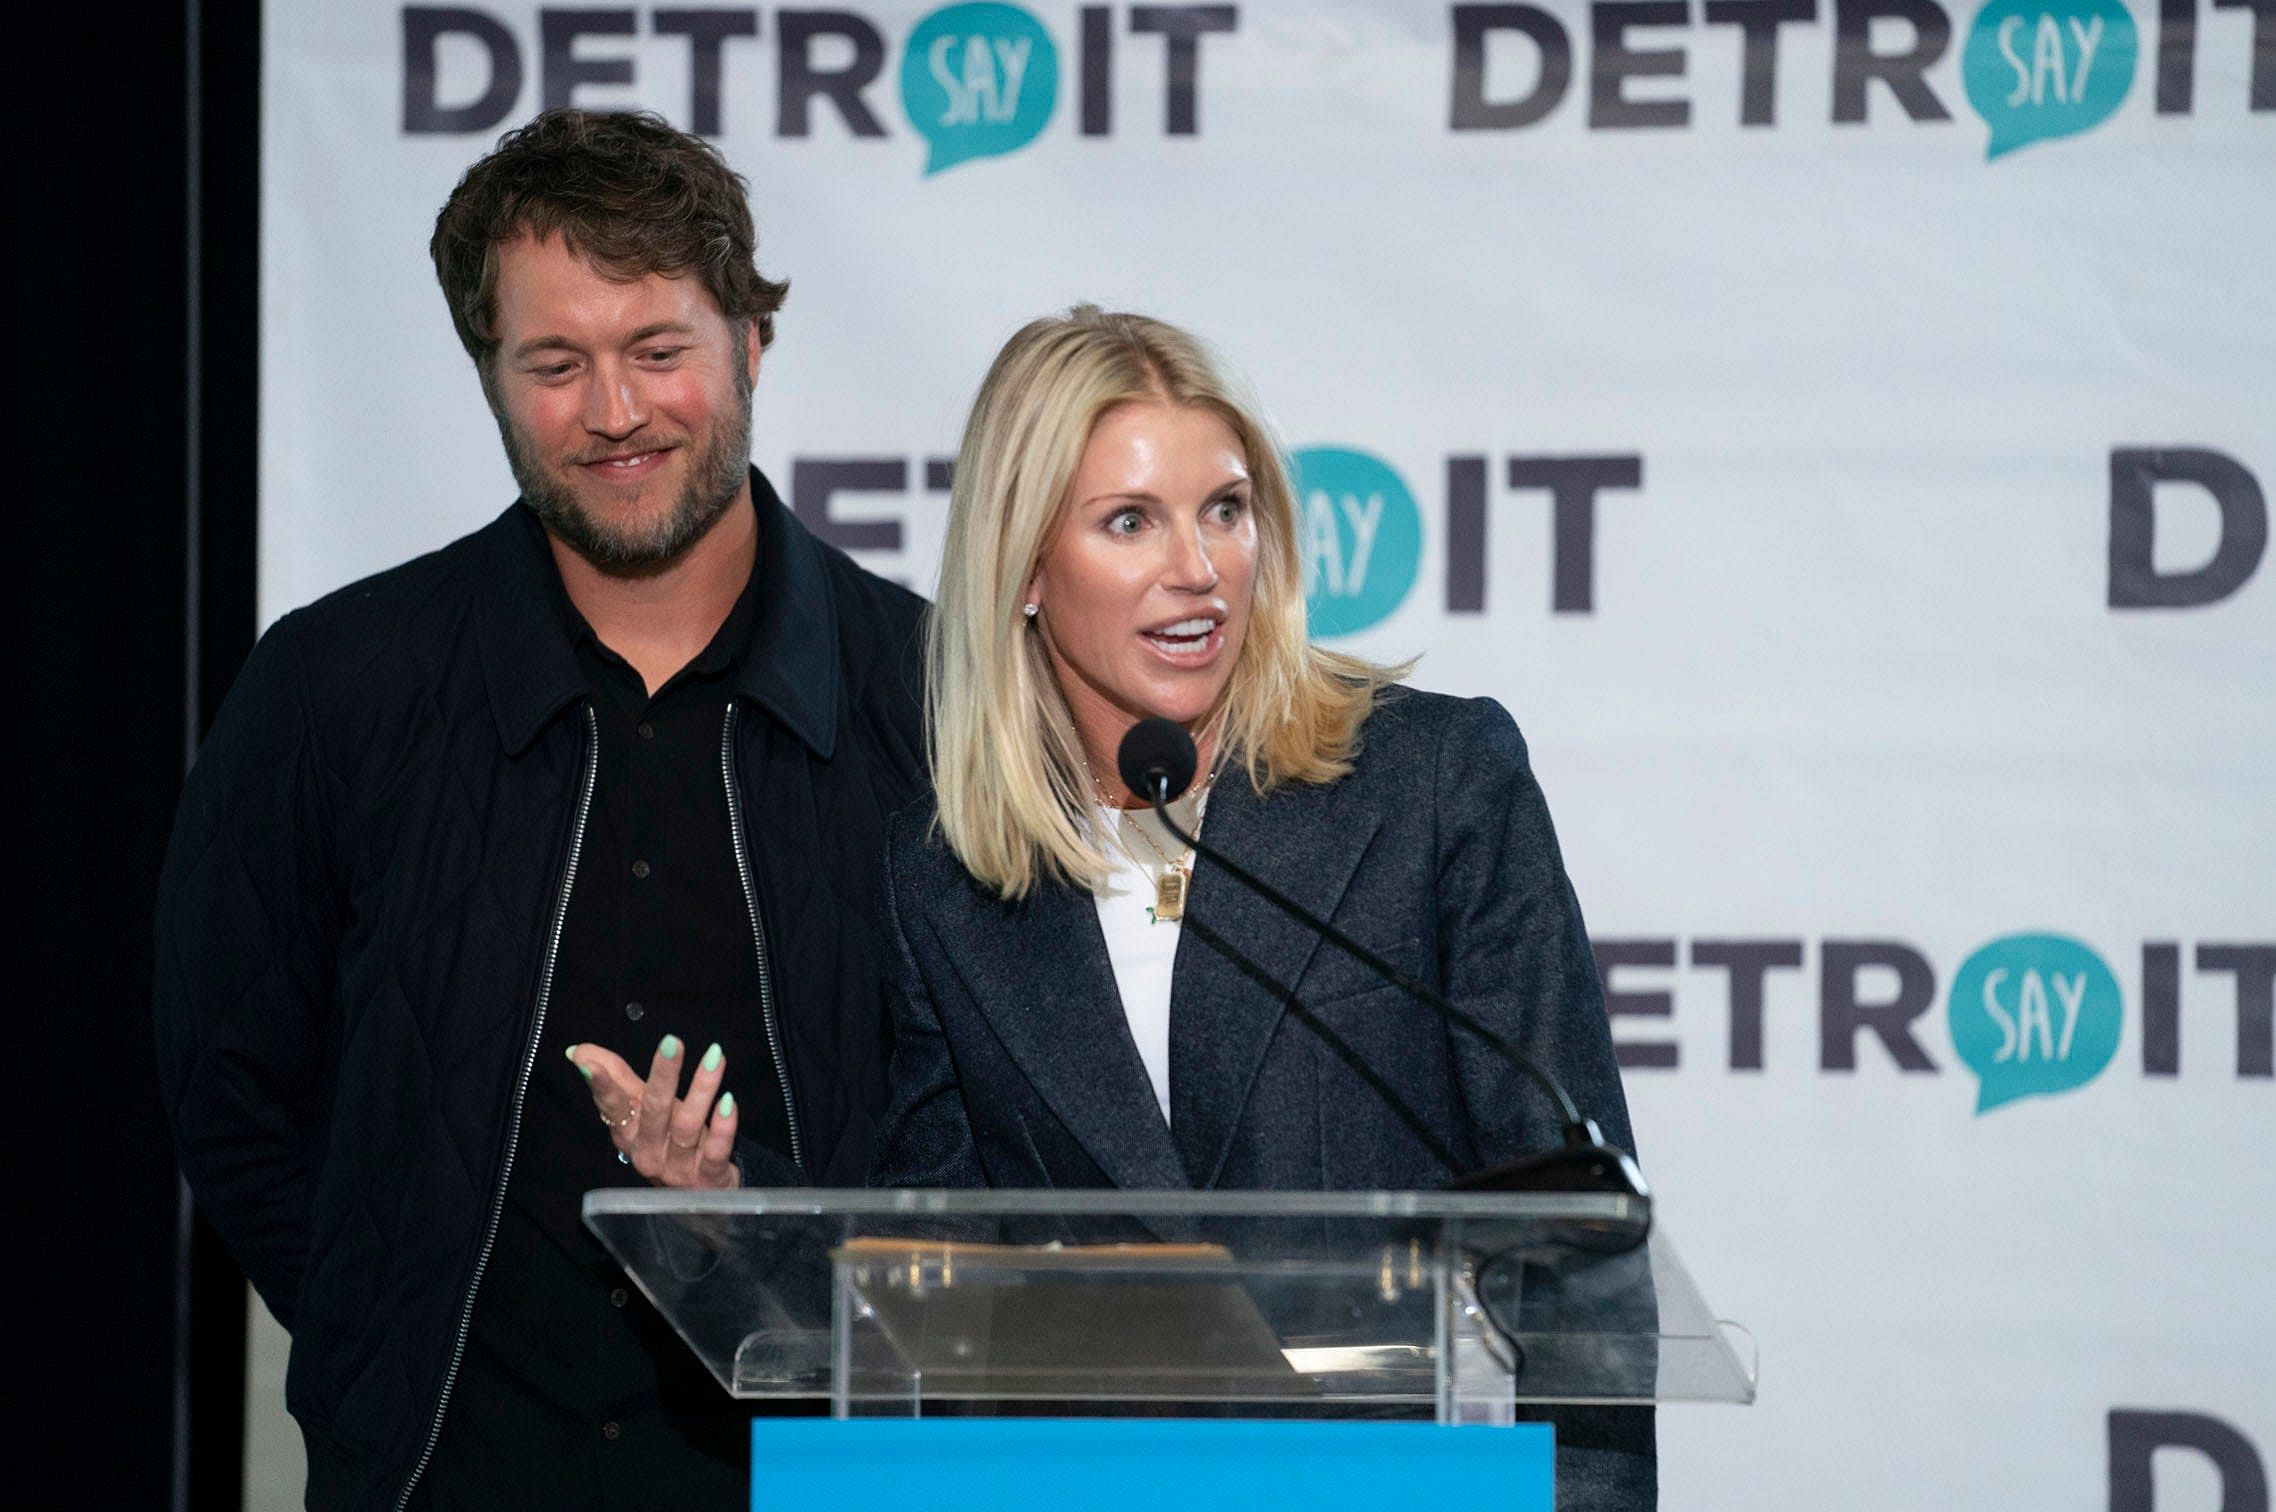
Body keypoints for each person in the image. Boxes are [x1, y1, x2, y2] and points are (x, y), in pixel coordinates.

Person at [154, 110, 927, 1511]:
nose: (615, 412)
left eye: (658, 351)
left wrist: (764, 1226)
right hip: (447, 1468)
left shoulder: (931, 697)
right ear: (491, 376)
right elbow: (230, 1083)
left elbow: (988, 1118)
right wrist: (377, 1321)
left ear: (751, 345)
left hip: (831, 1466)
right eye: (556, 364)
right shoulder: (338, 684)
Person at [869, 306, 1652, 1506]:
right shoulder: (947, 884)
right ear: (1023, 570)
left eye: (1223, 509)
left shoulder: (1431, 784)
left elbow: (1574, 1245)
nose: (1196, 568)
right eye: (1129, 521)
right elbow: (940, 1299)